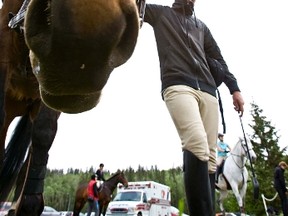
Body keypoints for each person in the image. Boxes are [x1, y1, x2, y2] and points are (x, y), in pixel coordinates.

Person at [140, 0, 245, 215]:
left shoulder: (201, 27)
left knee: (211, 160)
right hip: (178, 85)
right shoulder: (161, 14)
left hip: (208, 90)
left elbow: (218, 58)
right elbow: (133, 5)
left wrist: (234, 88)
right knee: (196, 144)